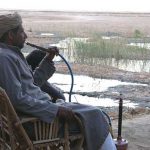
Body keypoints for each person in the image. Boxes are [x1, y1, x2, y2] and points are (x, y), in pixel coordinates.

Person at [0, 12, 116, 150]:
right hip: (38, 124)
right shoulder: (5, 58)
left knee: (96, 115)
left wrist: (48, 59)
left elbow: (31, 84)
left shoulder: (9, 55)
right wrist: (54, 109)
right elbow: (17, 100)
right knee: (97, 116)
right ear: (10, 35)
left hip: (36, 116)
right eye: (21, 31)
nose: (26, 35)